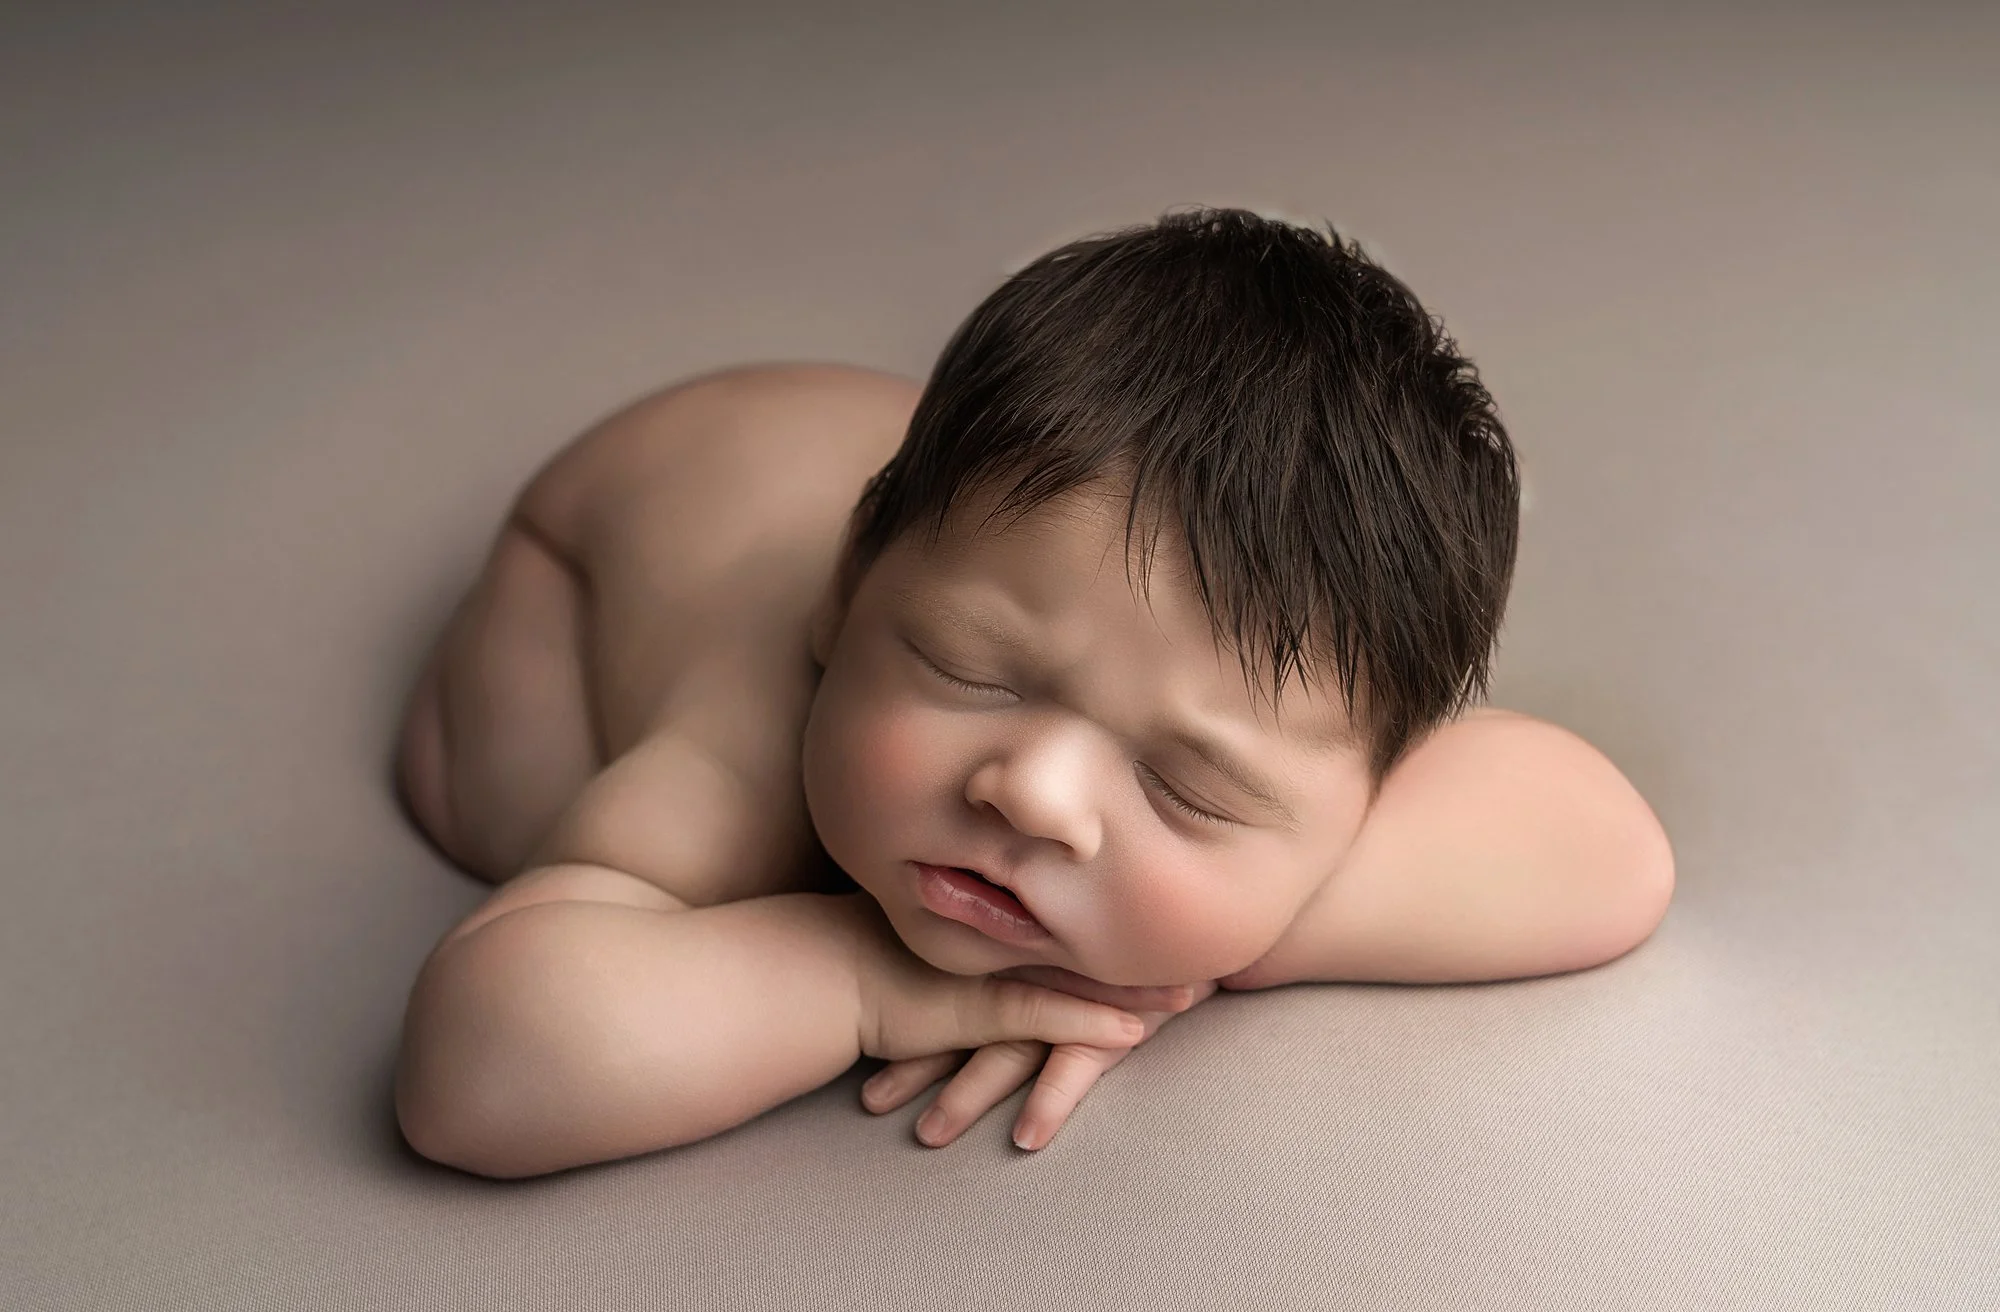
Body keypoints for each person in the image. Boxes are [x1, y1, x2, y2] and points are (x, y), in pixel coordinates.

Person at [391, 207, 1674, 1179]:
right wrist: (865, 982)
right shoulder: (741, 753)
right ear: (849, 599)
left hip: (980, 518)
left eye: (1187, 785)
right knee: (498, 798)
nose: (1035, 793)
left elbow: (1611, 853)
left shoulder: (1222, 708)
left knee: (1064, 581)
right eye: (967, 672)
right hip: (594, 558)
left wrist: (1200, 937)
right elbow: (480, 1070)